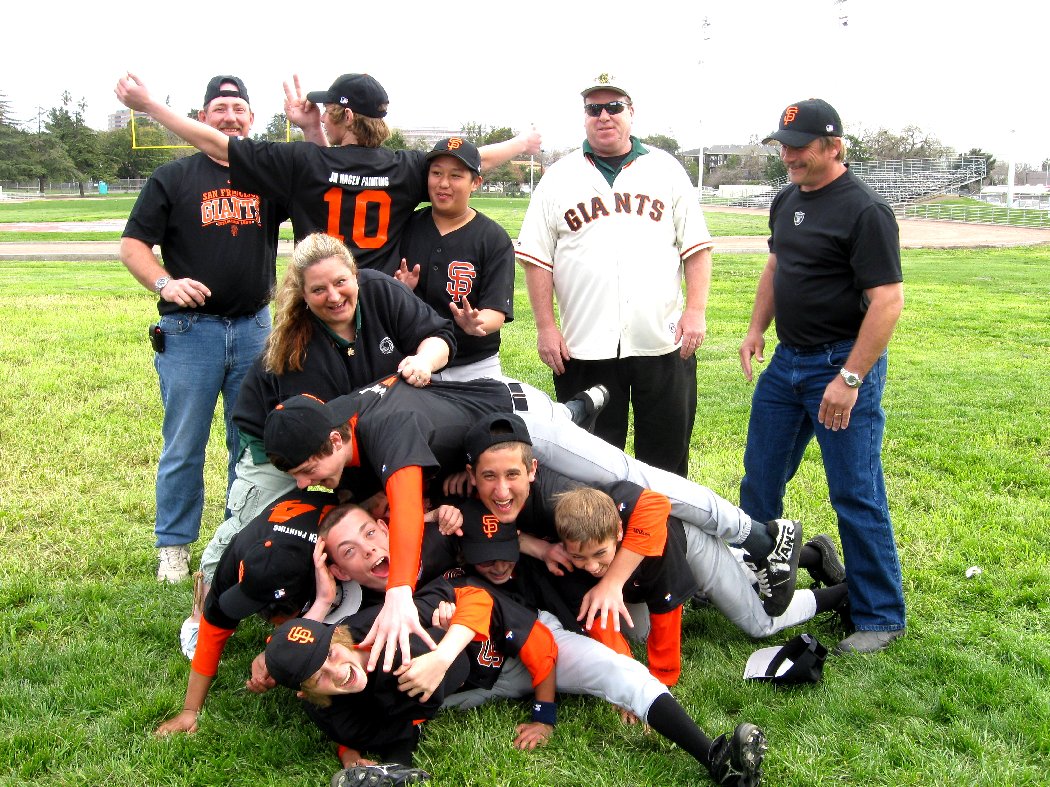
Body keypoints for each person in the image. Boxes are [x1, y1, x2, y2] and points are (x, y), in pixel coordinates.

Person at [261, 376, 804, 673]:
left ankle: (758, 536)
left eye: (310, 470)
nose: (310, 483)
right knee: (532, 487)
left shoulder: (386, 428)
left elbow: (404, 504)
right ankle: (580, 406)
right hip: (481, 444)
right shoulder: (337, 416)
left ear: (336, 438)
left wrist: (400, 591)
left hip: (520, 423)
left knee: (629, 477)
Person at [309, 502, 768, 787]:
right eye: (349, 551)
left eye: (371, 533)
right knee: (395, 698)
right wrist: (323, 603)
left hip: (523, 640)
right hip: (467, 683)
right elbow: (312, 672)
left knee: (618, 671)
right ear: (341, 571)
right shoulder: (354, 618)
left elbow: (493, 539)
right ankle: (386, 774)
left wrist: (446, 512)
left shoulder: (434, 539)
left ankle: (714, 756)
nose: (368, 549)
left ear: (387, 526)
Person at [458, 413, 847, 667]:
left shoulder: (562, 498)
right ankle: (814, 556)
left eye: (511, 476)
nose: (501, 490)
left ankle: (845, 593)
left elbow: (654, 506)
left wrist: (611, 583)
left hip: (676, 540)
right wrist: (537, 546)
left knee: (758, 622)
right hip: (630, 552)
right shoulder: (482, 495)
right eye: (488, 477)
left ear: (531, 470)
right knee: (639, 632)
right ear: (472, 475)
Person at [739, 98, 906, 655]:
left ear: (834, 146)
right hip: (787, 363)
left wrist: (850, 380)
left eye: (799, 147)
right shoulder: (787, 199)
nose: (787, 156)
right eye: (782, 146)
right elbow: (777, 265)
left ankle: (880, 615)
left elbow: (887, 302)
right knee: (760, 479)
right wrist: (756, 328)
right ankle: (749, 583)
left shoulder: (866, 211)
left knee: (855, 491)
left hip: (839, 365)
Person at [197, 232, 455, 584]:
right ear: (303, 295)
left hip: (354, 433)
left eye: (340, 282)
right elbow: (320, 444)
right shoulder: (298, 351)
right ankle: (210, 585)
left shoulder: (382, 291)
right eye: (319, 290)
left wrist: (424, 360)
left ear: (355, 275)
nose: (334, 296)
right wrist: (364, 495)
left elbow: (440, 336)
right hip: (284, 442)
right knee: (262, 522)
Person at [114, 72, 540, 276]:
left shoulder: (305, 162)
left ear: (347, 116)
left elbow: (216, 144)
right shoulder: (405, 167)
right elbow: (472, 159)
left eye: (329, 111)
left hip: (321, 297)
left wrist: (150, 106)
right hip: (380, 299)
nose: (323, 116)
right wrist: (522, 143)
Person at [120, 75, 286, 582]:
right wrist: (165, 284)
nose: (230, 117)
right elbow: (133, 246)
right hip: (191, 331)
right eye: (220, 109)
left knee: (250, 443)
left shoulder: (267, 177)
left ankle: (241, 537)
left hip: (255, 327)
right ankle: (174, 547)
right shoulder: (173, 177)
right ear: (202, 117)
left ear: (252, 120)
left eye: (239, 109)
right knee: (184, 444)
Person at [516, 72, 713, 477]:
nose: (604, 116)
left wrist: (695, 311)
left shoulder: (665, 169)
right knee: (590, 463)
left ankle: (664, 521)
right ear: (585, 116)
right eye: (594, 109)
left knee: (667, 457)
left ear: (631, 112)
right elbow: (537, 259)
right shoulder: (559, 176)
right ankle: (602, 521)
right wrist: (545, 327)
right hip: (584, 345)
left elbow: (696, 248)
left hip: (662, 340)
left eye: (613, 107)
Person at [264, 573, 559, 771]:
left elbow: (479, 599)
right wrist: (352, 754)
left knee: (586, 671)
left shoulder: (384, 625)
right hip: (474, 685)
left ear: (339, 635)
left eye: (329, 654)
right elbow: (398, 725)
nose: (337, 672)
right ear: (307, 694)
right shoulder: (328, 707)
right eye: (319, 677)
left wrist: (544, 717)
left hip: (518, 651)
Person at [154, 490, 337, 736]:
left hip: (335, 525)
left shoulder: (333, 559)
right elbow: (212, 630)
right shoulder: (238, 554)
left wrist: (277, 654)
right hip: (276, 533)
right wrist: (190, 710)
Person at [396, 137, 515, 380]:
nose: (443, 183)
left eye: (456, 176)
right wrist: (399, 290)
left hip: (474, 364)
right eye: (436, 173)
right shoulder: (406, 226)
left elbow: (496, 311)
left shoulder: (493, 238)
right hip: (412, 359)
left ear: (476, 182)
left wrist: (476, 322)